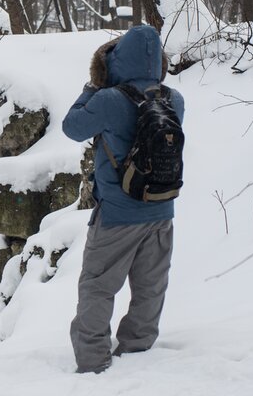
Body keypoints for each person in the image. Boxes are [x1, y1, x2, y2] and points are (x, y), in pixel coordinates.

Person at [62, 25, 185, 374]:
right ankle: (138, 351)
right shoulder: (174, 99)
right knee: (150, 286)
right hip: (161, 208)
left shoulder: (108, 100)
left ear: (115, 62)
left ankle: (92, 359)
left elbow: (72, 128)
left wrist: (91, 86)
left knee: (97, 288)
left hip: (117, 214)